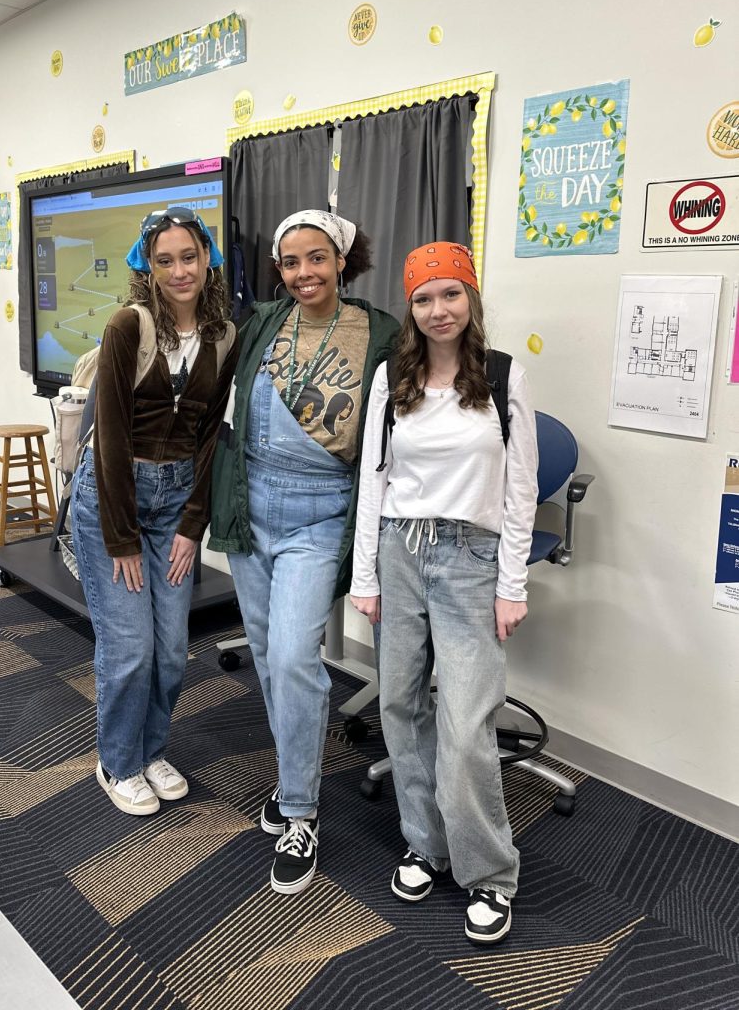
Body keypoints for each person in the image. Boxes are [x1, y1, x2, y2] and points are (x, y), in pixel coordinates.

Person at [350, 241, 538, 946]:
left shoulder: (506, 376)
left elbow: (520, 493)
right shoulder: (390, 377)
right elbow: (373, 479)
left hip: (471, 558)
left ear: (472, 298)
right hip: (400, 550)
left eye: (451, 294)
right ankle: (425, 844)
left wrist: (510, 586)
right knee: (398, 703)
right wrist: (366, 576)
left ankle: (489, 874)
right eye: (424, 299)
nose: (438, 310)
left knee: (464, 725)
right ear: (411, 307)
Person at [209, 210, 398, 895]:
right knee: (268, 657)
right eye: (290, 262)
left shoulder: (379, 332)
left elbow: (402, 424)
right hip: (250, 504)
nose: (302, 273)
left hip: (320, 513)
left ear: (342, 260)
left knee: (294, 657)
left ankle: (300, 813)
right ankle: (295, 773)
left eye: (316, 259)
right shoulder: (262, 321)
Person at [71, 208, 238, 816]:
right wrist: (119, 538)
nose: (179, 271)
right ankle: (116, 763)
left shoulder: (224, 336)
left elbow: (209, 435)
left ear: (207, 258)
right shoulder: (128, 325)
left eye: (188, 257)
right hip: (113, 501)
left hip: (174, 507)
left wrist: (194, 524)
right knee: (130, 648)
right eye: (164, 260)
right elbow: (110, 435)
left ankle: (151, 750)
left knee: (170, 649)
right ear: (148, 266)